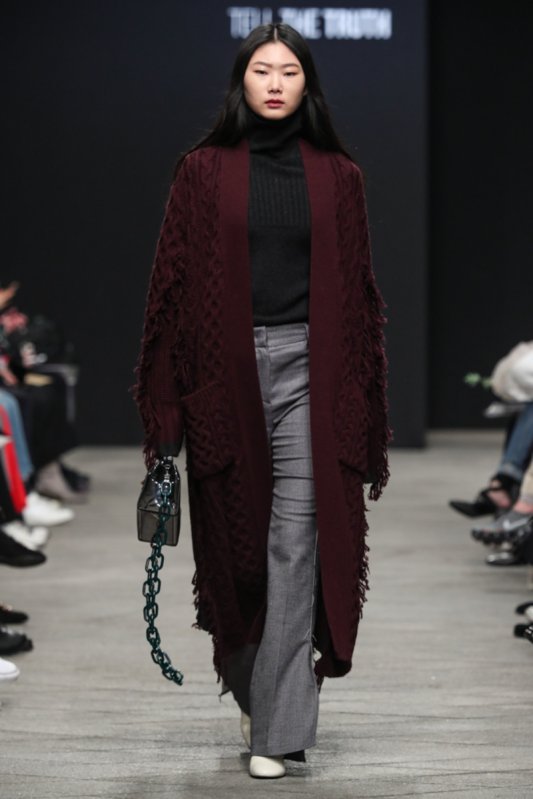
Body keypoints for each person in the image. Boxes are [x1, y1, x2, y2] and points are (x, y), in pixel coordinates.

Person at [135, 22, 390, 780]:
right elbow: (170, 291)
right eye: (260, 70)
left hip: (313, 374)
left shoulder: (339, 177)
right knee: (239, 557)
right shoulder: (202, 172)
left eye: (289, 71)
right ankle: (257, 692)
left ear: (308, 85)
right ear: (240, 82)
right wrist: (166, 411)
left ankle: (276, 732)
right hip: (227, 378)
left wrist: (361, 404)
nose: (275, 83)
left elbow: (360, 300)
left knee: (295, 546)